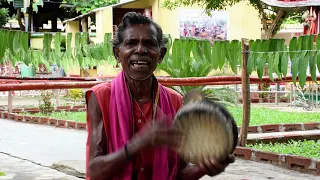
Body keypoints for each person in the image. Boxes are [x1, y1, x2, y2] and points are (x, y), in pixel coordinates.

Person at [85, 12, 235, 180]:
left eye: (149, 44)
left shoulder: (175, 101)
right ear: (117, 53)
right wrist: (139, 144)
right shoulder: (100, 97)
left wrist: (205, 168)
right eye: (131, 43)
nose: (140, 50)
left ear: (161, 54)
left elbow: (178, 173)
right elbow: (94, 171)